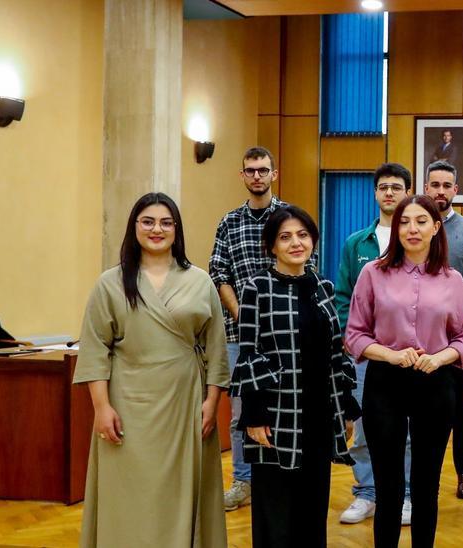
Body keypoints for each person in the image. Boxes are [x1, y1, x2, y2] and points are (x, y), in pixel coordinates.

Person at [74, 192, 228, 547]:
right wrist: (101, 407)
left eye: (166, 222)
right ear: (134, 227)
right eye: (148, 221)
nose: (156, 229)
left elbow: (216, 348)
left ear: (177, 230)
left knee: (181, 488)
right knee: (127, 491)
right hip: (127, 401)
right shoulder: (110, 283)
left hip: (184, 400)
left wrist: (212, 400)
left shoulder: (200, 281)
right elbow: (95, 348)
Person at [345, 195, 463, 548]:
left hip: (435, 382)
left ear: (436, 227)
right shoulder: (372, 273)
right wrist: (390, 354)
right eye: (404, 222)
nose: (412, 229)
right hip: (385, 382)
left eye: (421, 221)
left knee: (425, 487)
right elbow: (355, 335)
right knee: (388, 488)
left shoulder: (453, 280)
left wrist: (439, 358)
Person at [232, 206, 360, 548]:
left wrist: (345, 406)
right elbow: (249, 352)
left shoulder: (324, 286)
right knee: (276, 512)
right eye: (285, 237)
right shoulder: (255, 289)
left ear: (313, 241)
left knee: (312, 508)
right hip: (275, 417)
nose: (295, 243)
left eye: (302, 235)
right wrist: (254, 414)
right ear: (272, 246)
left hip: (319, 414)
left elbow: (336, 350)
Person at [209, 146, 304, 511]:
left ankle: (283, 474)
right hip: (239, 335)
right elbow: (219, 273)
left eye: (264, 170)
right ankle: (244, 481)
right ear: (242, 176)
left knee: (287, 405)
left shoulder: (289, 220)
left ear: (274, 174)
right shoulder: (229, 222)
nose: (257, 176)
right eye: (251, 170)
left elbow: (303, 268)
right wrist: (245, 317)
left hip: (286, 335)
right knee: (240, 414)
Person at [333, 162, 414, 525]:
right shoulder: (356, 243)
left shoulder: (417, 240)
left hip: (412, 356)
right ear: (375, 193)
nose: (389, 193)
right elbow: (342, 298)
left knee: (408, 429)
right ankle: (367, 493)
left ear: (408, 193)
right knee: (364, 427)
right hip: (366, 355)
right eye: (383, 187)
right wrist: (348, 343)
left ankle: (407, 493)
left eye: (396, 187)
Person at [423, 160, 463, 499]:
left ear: (456, 190)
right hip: (414, 337)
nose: (441, 191)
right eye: (435, 185)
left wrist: (448, 309)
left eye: (447, 185)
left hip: (454, 338)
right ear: (426, 186)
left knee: (461, 407)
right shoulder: (413, 226)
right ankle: (420, 474)